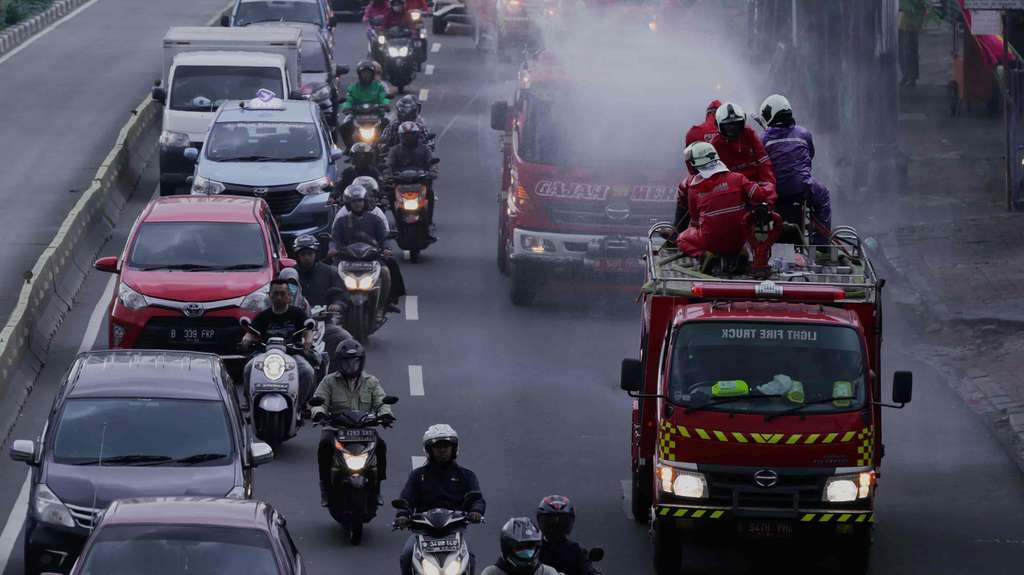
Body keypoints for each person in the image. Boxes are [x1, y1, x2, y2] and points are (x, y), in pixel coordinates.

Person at [312, 339, 394, 506]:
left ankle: (377, 487)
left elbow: (382, 401)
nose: (350, 366)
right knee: (324, 445)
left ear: (361, 361)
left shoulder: (371, 382)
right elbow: (318, 401)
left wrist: (385, 415)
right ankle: (325, 488)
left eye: (354, 362)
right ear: (339, 362)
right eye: (346, 362)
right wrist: (319, 413)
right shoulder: (329, 381)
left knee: (381, 446)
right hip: (336, 429)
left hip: (364, 430)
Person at [396, 424, 486, 575]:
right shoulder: (418, 476)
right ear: (429, 450)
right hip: (423, 531)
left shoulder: (466, 475)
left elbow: (477, 498)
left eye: (446, 445)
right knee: (406, 554)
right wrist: (402, 515)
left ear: (454, 448)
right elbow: (406, 498)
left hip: (455, 529)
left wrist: (476, 511)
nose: (442, 450)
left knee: (469, 556)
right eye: (437, 446)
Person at [676, 142, 776, 258]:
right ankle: (740, 253)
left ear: (693, 164)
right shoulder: (738, 178)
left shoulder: (694, 189)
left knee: (682, 239)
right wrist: (769, 184)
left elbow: (695, 222)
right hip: (739, 240)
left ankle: (705, 256)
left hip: (711, 242)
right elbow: (762, 195)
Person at [758, 94, 833, 245]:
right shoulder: (804, 134)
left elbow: (760, 164)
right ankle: (820, 245)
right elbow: (810, 155)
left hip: (774, 191)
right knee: (822, 195)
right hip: (801, 188)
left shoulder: (763, 138)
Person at [241, 278, 316, 406]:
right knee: (249, 368)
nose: (279, 297)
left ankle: (299, 405)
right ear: (269, 295)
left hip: (292, 354)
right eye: (276, 293)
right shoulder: (263, 316)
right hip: (265, 355)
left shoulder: (297, 313)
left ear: (289, 296)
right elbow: (251, 332)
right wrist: (246, 339)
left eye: (283, 293)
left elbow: (307, 329)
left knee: (308, 371)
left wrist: (308, 341)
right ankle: (250, 402)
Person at [330, 185, 402, 313]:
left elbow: (384, 238)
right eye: (354, 201)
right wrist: (332, 249)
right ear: (348, 203)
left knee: (385, 272)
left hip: (371, 258)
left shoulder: (376, 219)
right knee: (330, 272)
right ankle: (332, 303)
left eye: (360, 201)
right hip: (346, 259)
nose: (357, 204)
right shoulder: (341, 221)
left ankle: (385, 302)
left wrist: (386, 249)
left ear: (365, 202)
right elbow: (334, 240)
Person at [292, 235, 353, 355]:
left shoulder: (330, 272)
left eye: (310, 253)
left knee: (346, 340)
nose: (307, 257)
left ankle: (336, 372)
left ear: (316, 254)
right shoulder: (291, 275)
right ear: (297, 256)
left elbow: (341, 294)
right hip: (295, 326)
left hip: (323, 323)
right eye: (303, 254)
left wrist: (336, 304)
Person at [709, 102, 775, 193]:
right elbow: (715, 178)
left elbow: (764, 161)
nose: (733, 130)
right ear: (718, 126)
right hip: (733, 189)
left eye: (736, 125)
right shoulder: (715, 145)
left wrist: (768, 187)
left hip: (756, 185)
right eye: (728, 126)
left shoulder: (749, 133)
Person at [536, 495, 601, 575]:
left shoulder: (576, 550)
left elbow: (588, 569)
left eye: (562, 522)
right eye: (551, 522)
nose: (556, 526)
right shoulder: (534, 549)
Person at [481, 518, 561, 575]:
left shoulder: (546, 572)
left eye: (530, 546)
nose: (526, 552)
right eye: (520, 547)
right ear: (507, 549)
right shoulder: (492, 573)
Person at [340, 61, 391, 147]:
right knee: (344, 127)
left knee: (388, 124)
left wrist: (385, 104)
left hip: (376, 114)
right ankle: (349, 147)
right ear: (359, 74)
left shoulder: (379, 86)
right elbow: (349, 99)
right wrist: (347, 107)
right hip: (356, 115)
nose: (366, 75)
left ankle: (385, 146)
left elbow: (383, 97)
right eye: (364, 73)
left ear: (372, 74)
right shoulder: (353, 88)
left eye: (368, 73)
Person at [899, 0, 928, 87]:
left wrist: (920, 23)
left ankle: (910, 77)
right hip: (905, 23)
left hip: (911, 24)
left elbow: (922, 7)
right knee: (905, 51)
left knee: (909, 51)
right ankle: (908, 76)